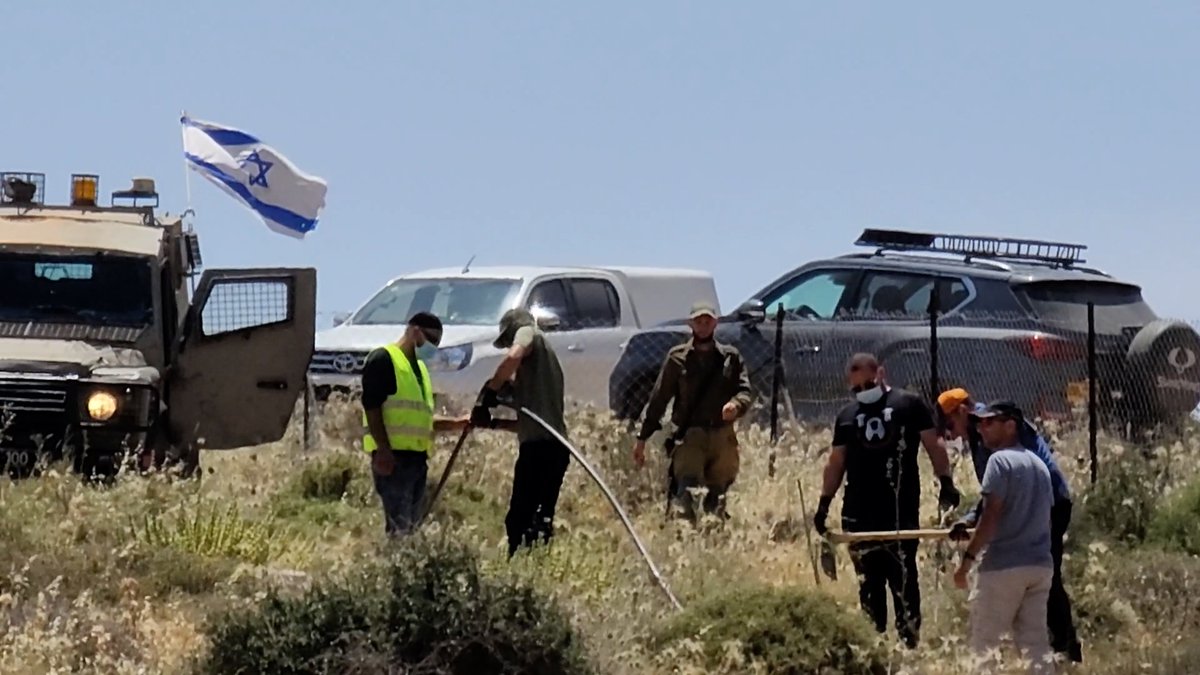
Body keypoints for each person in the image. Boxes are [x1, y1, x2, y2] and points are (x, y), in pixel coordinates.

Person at [813, 353, 961, 649]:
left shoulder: (908, 405)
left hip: (899, 509)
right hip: (857, 513)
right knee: (869, 586)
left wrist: (946, 483)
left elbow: (934, 445)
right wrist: (824, 504)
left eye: (867, 382)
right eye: (856, 387)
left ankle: (910, 646)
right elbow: (836, 461)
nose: (862, 389)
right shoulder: (846, 416)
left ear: (880, 373)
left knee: (904, 581)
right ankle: (874, 647)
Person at [939, 388, 1082, 664]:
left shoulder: (998, 425)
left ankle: (1067, 649)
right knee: (1039, 578)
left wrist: (969, 556)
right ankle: (1050, 651)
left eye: (949, 423)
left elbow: (1015, 480)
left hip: (1048, 501)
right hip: (1029, 501)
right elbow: (995, 493)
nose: (951, 432)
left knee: (1044, 579)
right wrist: (969, 519)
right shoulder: (984, 436)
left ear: (961, 411)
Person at [953, 400, 1056, 675]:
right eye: (978, 422)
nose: (981, 428)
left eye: (989, 422)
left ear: (1010, 425)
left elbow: (990, 515)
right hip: (1039, 566)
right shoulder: (1040, 465)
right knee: (1035, 647)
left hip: (1002, 568)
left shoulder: (999, 461)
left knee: (985, 648)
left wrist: (967, 562)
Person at [632, 301, 753, 522]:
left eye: (708, 320)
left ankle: (713, 543)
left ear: (715, 322)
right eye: (699, 321)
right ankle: (683, 545)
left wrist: (736, 405)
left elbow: (745, 390)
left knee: (717, 497)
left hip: (722, 437)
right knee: (687, 494)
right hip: (690, 437)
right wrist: (642, 438)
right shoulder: (677, 358)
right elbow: (659, 399)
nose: (703, 325)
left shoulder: (730, 357)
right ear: (691, 324)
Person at [360, 311, 471, 537]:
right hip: (393, 459)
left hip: (417, 460)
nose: (431, 346)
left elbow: (420, 420)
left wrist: (457, 424)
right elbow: (372, 408)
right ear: (414, 331)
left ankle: (404, 568)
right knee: (398, 527)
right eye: (430, 340)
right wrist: (383, 450)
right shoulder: (383, 359)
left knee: (410, 527)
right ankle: (393, 569)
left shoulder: (419, 370)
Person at [472, 308, 571, 558]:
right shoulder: (541, 377)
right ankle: (535, 565)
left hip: (539, 449)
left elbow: (514, 355)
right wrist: (494, 423)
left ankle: (520, 569)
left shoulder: (528, 333)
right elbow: (528, 421)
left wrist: (491, 391)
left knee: (520, 518)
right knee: (540, 517)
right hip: (555, 448)